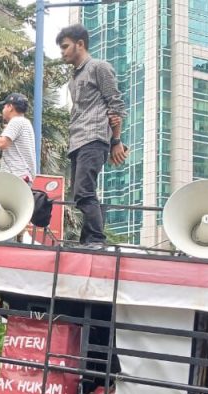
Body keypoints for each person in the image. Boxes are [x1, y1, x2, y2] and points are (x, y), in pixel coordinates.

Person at [57, 24, 128, 250]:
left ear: (80, 44)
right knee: (79, 193)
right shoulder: (73, 79)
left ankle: (96, 240)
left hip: (94, 137)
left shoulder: (99, 67)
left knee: (84, 190)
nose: (62, 52)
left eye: (65, 46)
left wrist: (116, 141)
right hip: (77, 140)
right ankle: (88, 241)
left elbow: (115, 105)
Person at [0, 93, 37, 184]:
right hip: (23, 176)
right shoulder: (25, 122)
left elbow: (2, 144)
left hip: (15, 176)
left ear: (10, 107)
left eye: (4, 107)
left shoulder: (16, 121)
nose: (3, 110)